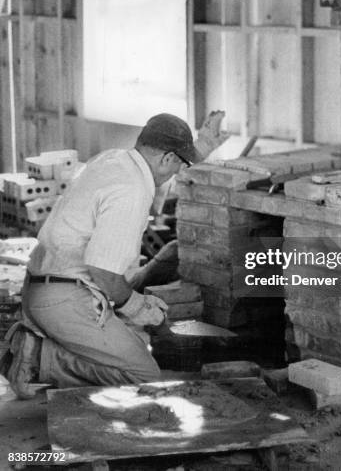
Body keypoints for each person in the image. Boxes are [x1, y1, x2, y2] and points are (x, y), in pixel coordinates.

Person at [5, 113, 210, 398]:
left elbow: (106, 271)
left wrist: (204, 147)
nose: (176, 173)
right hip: (64, 298)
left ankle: (54, 348)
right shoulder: (132, 190)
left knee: (132, 335)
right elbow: (103, 272)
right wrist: (137, 306)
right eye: (179, 164)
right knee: (144, 375)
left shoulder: (114, 160)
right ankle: (40, 358)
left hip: (44, 284)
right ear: (167, 158)